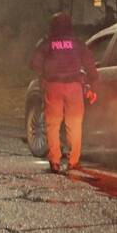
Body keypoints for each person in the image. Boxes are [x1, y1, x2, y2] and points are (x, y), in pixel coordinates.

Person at [29, 11, 98, 175]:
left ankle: (55, 161)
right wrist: (93, 81)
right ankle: (73, 161)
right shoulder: (77, 43)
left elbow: (34, 63)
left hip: (53, 86)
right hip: (74, 87)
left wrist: (46, 72)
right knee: (74, 124)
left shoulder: (47, 43)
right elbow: (89, 63)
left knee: (52, 124)